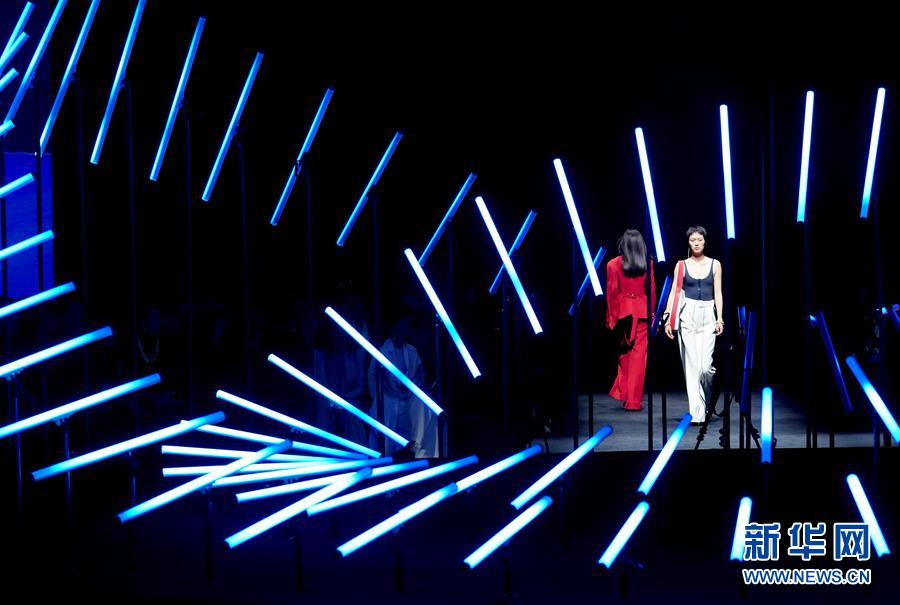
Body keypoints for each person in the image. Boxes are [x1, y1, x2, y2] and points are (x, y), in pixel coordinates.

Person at [664, 226, 724, 425]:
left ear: (705, 241)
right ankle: (697, 414)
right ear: (688, 242)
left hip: (708, 314)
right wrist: (668, 318)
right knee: (691, 366)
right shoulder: (681, 265)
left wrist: (719, 318)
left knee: (705, 367)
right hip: (687, 314)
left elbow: (718, 293)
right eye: (692, 240)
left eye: (699, 239)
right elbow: (674, 292)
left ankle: (708, 400)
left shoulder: (715, 264)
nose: (696, 243)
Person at [367, 318, 437, 457]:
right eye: (402, 326)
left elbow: (420, 372)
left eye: (406, 326)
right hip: (387, 402)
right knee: (384, 441)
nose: (405, 330)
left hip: (407, 402)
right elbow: (373, 374)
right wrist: (379, 395)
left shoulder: (411, 350)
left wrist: (414, 383)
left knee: (408, 439)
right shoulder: (384, 350)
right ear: (395, 328)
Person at [606, 229, 656, 411]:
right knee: (638, 357)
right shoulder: (647, 263)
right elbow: (651, 290)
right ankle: (633, 400)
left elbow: (612, 293)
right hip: (642, 312)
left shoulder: (613, 264)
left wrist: (611, 318)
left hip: (623, 313)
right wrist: (653, 314)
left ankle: (627, 396)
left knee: (625, 355)